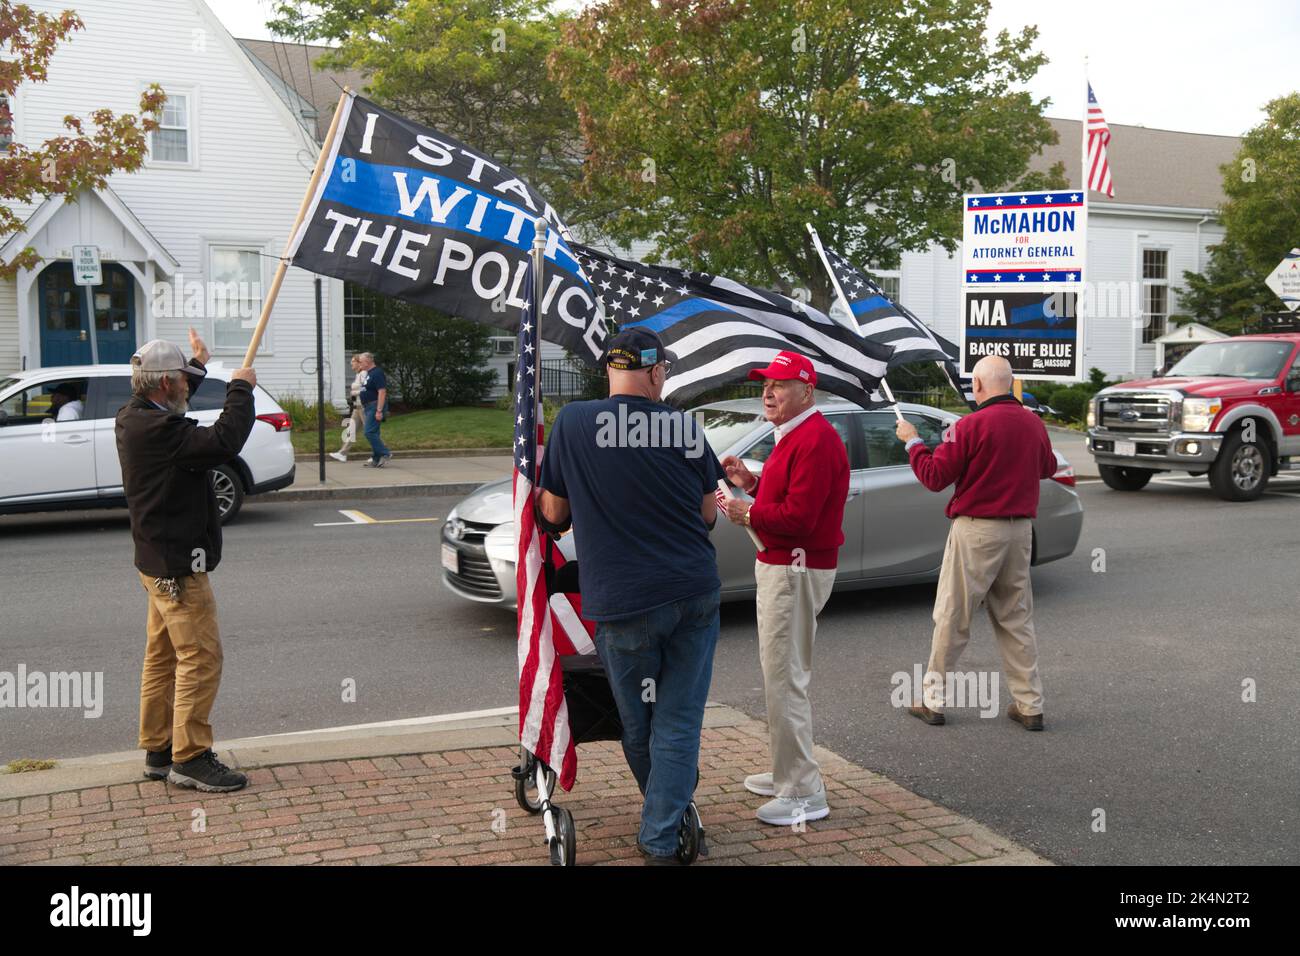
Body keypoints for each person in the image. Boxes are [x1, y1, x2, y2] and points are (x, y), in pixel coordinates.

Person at [537, 327, 725, 864]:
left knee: (640, 721)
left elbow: (552, 513)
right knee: (680, 720)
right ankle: (663, 826)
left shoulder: (574, 423)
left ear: (609, 371)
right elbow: (708, 514)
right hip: (693, 592)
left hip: (624, 603)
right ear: (656, 372)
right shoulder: (685, 427)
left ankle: (663, 828)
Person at [116, 329, 257, 791]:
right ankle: (191, 757)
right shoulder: (164, 431)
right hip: (179, 566)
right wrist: (241, 388)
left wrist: (196, 364)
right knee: (201, 657)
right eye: (180, 378)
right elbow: (223, 439)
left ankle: (159, 749)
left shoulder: (134, 416)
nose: (185, 385)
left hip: (154, 562)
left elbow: (174, 403)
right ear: (164, 384)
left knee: (162, 658)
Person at [895, 355, 1058, 731]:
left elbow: (934, 477)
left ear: (980, 386)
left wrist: (913, 442)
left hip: (977, 530)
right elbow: (1047, 468)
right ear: (1010, 383)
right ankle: (1029, 704)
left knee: (953, 616)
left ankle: (933, 701)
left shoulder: (967, 426)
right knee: (1016, 618)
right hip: (1020, 531)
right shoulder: (1033, 423)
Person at [720, 350, 848, 826]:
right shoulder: (796, 435)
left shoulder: (813, 438)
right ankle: (786, 774)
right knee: (780, 678)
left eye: (779, 384)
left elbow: (799, 518)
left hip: (794, 571)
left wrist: (746, 511)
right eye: (765, 385)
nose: (768, 392)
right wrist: (750, 482)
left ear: (806, 390)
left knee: (786, 681)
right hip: (785, 568)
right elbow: (790, 496)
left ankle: (803, 793)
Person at [356, 352, 392, 468]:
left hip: (374, 406)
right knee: (374, 432)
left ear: (368, 362)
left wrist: (379, 410)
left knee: (369, 432)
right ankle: (376, 459)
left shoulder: (377, 373)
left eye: (361, 361)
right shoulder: (369, 373)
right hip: (368, 406)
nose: (359, 364)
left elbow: (382, 392)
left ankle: (385, 453)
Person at [330, 354, 365, 462]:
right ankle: (342, 453)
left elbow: (366, 389)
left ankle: (383, 452)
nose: (351, 365)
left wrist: (354, 392)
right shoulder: (358, 374)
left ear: (359, 363)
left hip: (363, 406)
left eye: (352, 362)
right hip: (357, 406)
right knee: (351, 430)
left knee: (370, 431)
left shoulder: (363, 374)